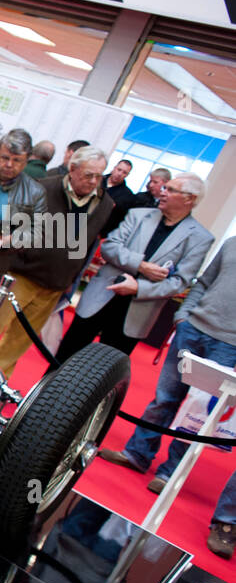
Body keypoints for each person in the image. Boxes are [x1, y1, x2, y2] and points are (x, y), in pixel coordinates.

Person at [98, 236, 236, 557]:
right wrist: (183, 316)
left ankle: (168, 472)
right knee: (164, 398)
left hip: (229, 346)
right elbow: (203, 282)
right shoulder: (231, 243)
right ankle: (138, 453)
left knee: (197, 412)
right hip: (193, 329)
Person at [53, 173, 212, 361]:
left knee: (104, 374)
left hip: (137, 311)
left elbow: (179, 282)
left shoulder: (200, 238)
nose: (162, 192)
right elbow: (109, 247)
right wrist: (141, 266)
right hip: (100, 297)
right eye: (164, 188)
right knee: (64, 358)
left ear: (189, 199)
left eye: (170, 189)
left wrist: (138, 288)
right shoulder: (138, 215)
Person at [0, 146, 113, 376]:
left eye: (99, 176)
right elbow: (12, 225)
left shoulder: (105, 204)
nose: (94, 181)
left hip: (55, 285)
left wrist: (71, 279)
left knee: (20, 341)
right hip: (22, 275)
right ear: (72, 169)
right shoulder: (42, 188)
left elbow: (86, 245)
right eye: (88, 175)